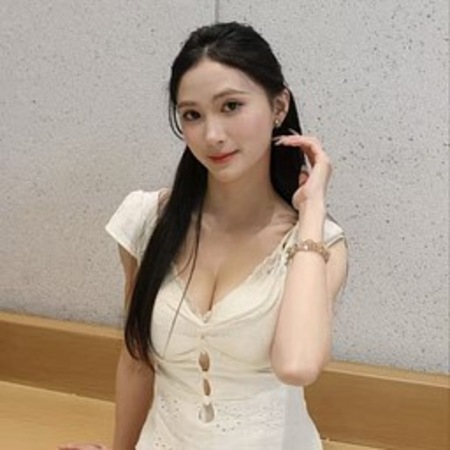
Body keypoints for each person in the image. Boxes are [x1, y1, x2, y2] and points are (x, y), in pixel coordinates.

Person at [60, 21, 348, 450]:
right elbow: (138, 361)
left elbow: (297, 365)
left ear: (279, 106)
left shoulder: (319, 243)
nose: (212, 135)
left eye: (231, 106)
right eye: (192, 115)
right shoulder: (148, 220)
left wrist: (312, 208)